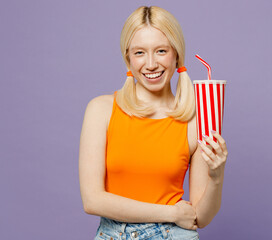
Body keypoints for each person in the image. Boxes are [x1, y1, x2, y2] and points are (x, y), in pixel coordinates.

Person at [79, 5, 228, 240]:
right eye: (139, 53)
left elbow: (199, 217)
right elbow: (92, 200)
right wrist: (170, 213)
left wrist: (217, 175)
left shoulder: (194, 119)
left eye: (161, 51)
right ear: (127, 58)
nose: (150, 64)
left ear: (176, 54)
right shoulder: (101, 110)